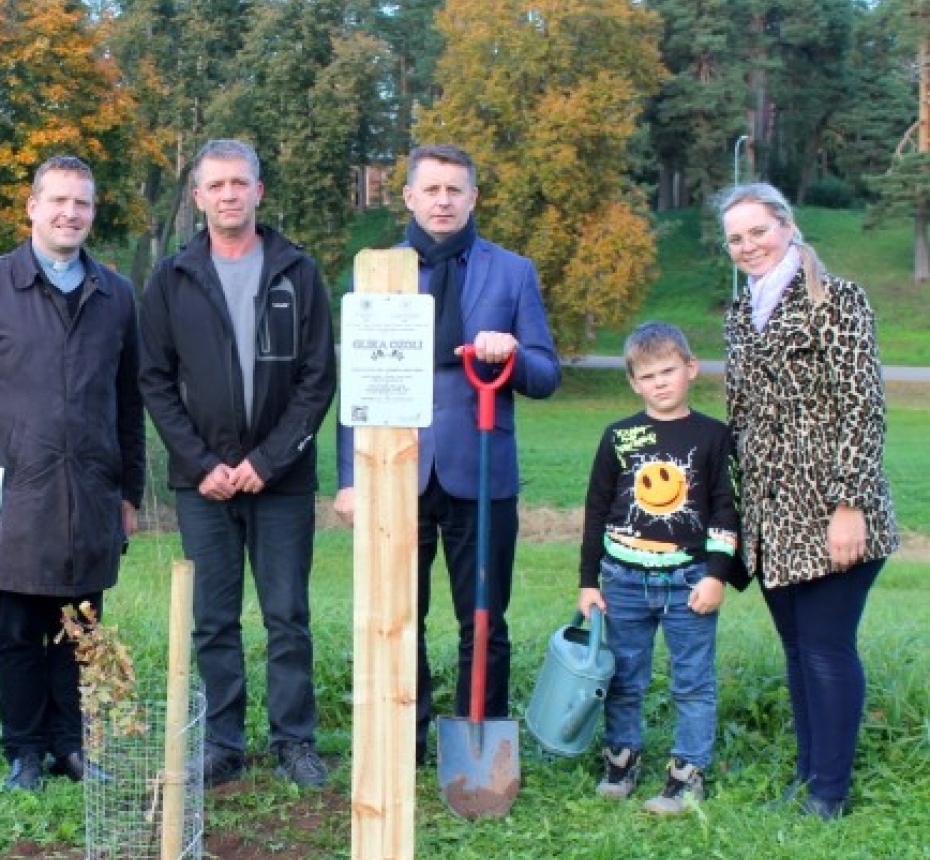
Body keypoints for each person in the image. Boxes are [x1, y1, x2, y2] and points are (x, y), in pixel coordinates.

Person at [334, 143, 561, 766]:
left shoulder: (512, 272)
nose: (442, 200)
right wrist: (350, 478)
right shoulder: (378, 272)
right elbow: (353, 383)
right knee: (399, 617)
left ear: (473, 198)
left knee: (483, 619)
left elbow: (545, 373)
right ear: (407, 196)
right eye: (430, 189)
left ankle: (474, 746)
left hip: (482, 471)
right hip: (395, 470)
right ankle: (402, 743)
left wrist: (509, 353)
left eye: (454, 190)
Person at [0, 155, 144, 792]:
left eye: (81, 203)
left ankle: (71, 746)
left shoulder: (115, 294)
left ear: (92, 212)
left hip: (90, 492)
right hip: (12, 492)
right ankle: (23, 750)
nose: (69, 213)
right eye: (57, 201)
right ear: (31, 207)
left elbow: (127, 399)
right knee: (20, 630)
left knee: (79, 628)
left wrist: (129, 490)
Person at [139, 139, 336, 789]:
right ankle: (223, 744)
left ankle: (294, 742)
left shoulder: (297, 272)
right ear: (197, 197)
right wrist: (200, 464)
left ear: (259, 191)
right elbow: (156, 381)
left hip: (280, 483)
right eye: (215, 184)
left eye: (239, 183)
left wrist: (269, 460)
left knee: (287, 615)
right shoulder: (172, 278)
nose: (228, 194)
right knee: (213, 620)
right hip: (204, 486)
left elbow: (317, 379)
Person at [717, 182, 898, 820]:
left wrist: (849, 505)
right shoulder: (740, 316)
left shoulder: (837, 300)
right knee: (797, 651)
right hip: (772, 519)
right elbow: (740, 419)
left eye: (758, 231)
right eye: (736, 238)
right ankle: (808, 778)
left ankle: (830, 794)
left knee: (826, 648)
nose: (748, 246)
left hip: (832, 513)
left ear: (787, 227)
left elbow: (863, 407)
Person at [576, 322, 743, 814]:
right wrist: (588, 581)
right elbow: (596, 509)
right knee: (625, 675)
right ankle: (621, 760)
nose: (660, 383)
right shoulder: (619, 437)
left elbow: (726, 509)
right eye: (647, 376)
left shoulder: (714, 437)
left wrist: (716, 573)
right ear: (633, 382)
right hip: (623, 580)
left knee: (692, 680)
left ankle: (687, 774)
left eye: (669, 370)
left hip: (690, 580)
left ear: (691, 368)